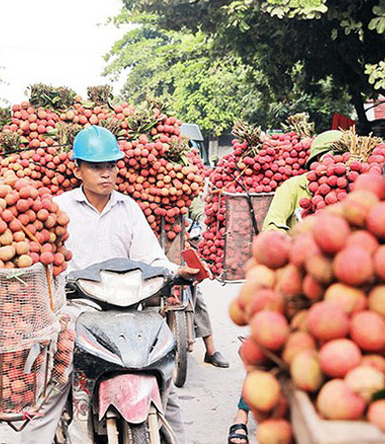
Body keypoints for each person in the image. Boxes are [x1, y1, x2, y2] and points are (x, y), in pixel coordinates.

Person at [22, 126, 213, 443]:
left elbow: (151, 258)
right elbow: (44, 259)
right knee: (56, 382)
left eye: (111, 165)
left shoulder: (128, 208)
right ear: (77, 169)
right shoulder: (59, 208)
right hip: (76, 308)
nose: (105, 173)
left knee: (162, 377)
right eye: (96, 167)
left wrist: (176, 271)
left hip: (128, 308)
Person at [227, 129, 342, 444]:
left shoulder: (351, 187)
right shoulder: (294, 187)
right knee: (269, 346)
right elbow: (272, 228)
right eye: (329, 159)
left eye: (341, 159)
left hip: (337, 280)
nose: (336, 165)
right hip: (295, 276)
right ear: (315, 162)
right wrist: (303, 235)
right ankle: (241, 415)